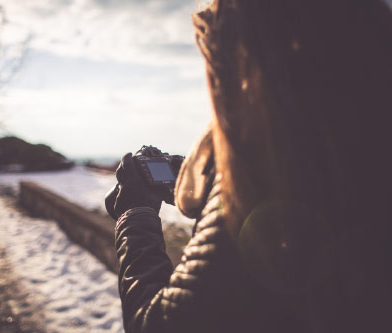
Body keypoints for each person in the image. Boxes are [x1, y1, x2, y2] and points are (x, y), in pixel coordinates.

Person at [110, 0, 392, 332]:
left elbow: (156, 326)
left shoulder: (271, 191)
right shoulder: (362, 146)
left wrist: (135, 214)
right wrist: (219, 178)